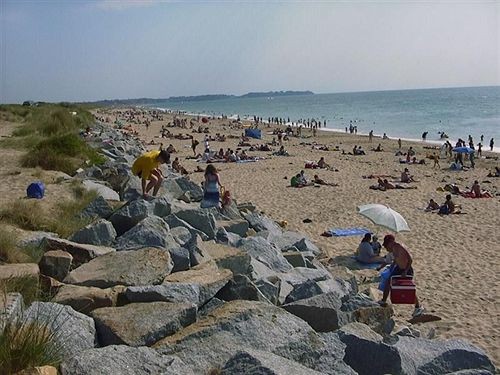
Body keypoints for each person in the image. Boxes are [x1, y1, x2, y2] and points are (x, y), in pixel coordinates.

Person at [378, 234, 424, 317]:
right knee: (388, 281)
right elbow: (396, 259)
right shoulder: (393, 249)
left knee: (409, 289)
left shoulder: (400, 247)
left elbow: (410, 259)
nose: (386, 248)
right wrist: (392, 266)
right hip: (398, 269)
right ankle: (383, 301)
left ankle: (418, 307)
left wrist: (406, 271)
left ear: (391, 242)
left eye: (386, 245)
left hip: (406, 270)